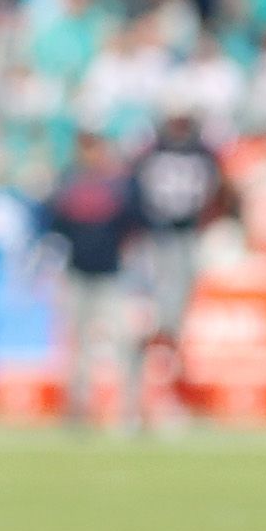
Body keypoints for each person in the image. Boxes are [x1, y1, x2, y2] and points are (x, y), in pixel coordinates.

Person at [44, 133, 153, 427]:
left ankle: (129, 411)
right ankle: (78, 410)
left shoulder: (119, 183)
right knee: (77, 346)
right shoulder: (69, 182)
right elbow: (55, 226)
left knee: (124, 342)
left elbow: (136, 224)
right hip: (78, 274)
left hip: (111, 276)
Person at [127, 108, 225, 423]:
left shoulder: (199, 154)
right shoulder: (152, 154)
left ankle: (165, 398)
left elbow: (218, 192)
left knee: (172, 329)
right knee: (147, 326)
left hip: (181, 242)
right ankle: (136, 403)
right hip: (156, 244)